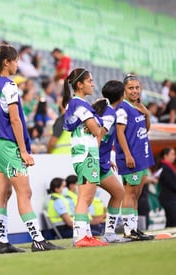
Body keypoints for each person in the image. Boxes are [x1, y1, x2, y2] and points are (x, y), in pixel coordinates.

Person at [0, 45, 63, 253]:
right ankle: (37, 239)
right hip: (8, 145)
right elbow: (15, 119)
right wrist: (24, 151)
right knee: (24, 191)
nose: (18, 64)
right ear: (6, 63)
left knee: (3, 192)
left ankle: (2, 242)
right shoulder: (8, 85)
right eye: (16, 60)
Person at [62, 67, 108, 247]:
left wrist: (97, 127)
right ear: (79, 84)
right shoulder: (79, 104)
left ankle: (85, 235)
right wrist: (98, 127)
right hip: (86, 154)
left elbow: (96, 129)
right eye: (90, 81)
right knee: (85, 198)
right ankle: (81, 237)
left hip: (86, 154)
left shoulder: (77, 104)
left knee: (85, 197)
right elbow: (97, 130)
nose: (93, 84)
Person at [116, 74, 155, 240]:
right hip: (131, 157)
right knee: (129, 193)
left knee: (137, 194)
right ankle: (128, 230)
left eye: (137, 88)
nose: (134, 91)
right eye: (131, 88)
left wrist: (146, 113)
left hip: (142, 155)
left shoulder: (138, 106)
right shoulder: (122, 109)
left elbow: (146, 129)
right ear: (124, 90)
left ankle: (134, 228)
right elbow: (119, 133)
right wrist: (127, 154)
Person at [91, 80, 130, 243]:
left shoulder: (100, 108)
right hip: (96, 162)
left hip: (99, 161)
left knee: (115, 193)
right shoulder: (110, 113)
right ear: (122, 96)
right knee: (119, 193)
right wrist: (97, 157)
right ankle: (109, 233)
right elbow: (99, 134)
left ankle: (85, 234)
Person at [157, 147, 176, 228]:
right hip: (168, 197)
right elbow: (170, 182)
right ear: (165, 156)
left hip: (170, 197)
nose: (174, 157)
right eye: (172, 154)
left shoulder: (168, 167)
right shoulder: (164, 167)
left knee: (171, 220)